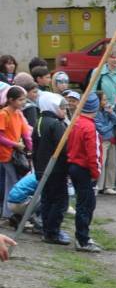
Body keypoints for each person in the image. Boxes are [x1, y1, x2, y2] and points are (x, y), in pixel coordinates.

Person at [66, 93, 102, 253]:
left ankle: (83, 236)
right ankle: (82, 239)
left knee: (85, 203)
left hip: (74, 165)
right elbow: (93, 154)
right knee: (86, 205)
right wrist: (96, 173)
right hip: (83, 169)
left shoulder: (76, 122)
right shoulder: (89, 127)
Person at [33, 93, 69, 246]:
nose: (65, 111)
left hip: (41, 168)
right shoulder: (55, 124)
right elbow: (64, 148)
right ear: (52, 107)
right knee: (60, 201)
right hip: (55, 170)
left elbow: (35, 148)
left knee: (47, 200)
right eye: (62, 108)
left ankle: (47, 230)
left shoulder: (39, 121)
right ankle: (53, 232)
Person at [0, 87, 32, 221]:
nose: (23, 102)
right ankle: (10, 213)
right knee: (12, 182)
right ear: (11, 100)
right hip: (5, 154)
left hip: (15, 153)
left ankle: (8, 212)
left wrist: (31, 149)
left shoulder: (18, 113)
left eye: (24, 99)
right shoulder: (3, 114)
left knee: (12, 182)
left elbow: (26, 134)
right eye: (20, 100)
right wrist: (15, 144)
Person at [94, 91, 116, 195]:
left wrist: (111, 113)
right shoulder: (95, 113)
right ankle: (99, 186)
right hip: (102, 141)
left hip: (111, 140)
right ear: (98, 101)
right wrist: (111, 124)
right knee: (102, 163)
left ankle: (109, 186)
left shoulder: (107, 110)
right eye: (104, 100)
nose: (106, 101)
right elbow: (102, 129)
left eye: (106, 99)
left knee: (112, 163)